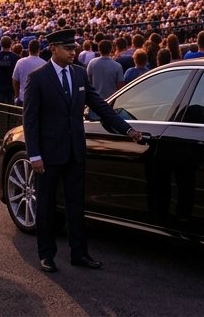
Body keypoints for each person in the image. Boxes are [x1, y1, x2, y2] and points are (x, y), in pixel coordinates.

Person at [22, 28, 142, 273]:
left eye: (74, 48)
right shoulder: (38, 78)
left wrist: (126, 129)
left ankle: (80, 254)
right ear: (53, 49)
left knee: (76, 205)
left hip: (75, 152)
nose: (73, 52)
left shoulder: (79, 74)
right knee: (46, 205)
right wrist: (34, 154)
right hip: (48, 155)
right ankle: (47, 254)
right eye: (68, 49)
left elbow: (100, 105)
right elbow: (30, 120)